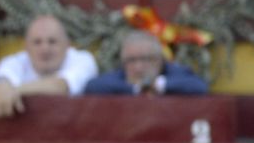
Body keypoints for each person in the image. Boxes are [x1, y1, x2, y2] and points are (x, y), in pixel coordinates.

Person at [0, 12, 96, 117]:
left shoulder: (83, 60)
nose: (45, 49)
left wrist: (11, 91)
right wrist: (1, 85)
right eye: (37, 42)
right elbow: (2, 77)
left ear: (67, 44)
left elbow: (60, 86)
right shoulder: (15, 61)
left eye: (52, 41)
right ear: (26, 46)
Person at [82, 28, 210, 94]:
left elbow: (199, 86)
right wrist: (137, 88)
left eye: (145, 59)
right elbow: (94, 86)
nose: (138, 67)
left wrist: (158, 85)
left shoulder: (173, 72)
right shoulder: (121, 75)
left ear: (159, 59)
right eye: (131, 60)